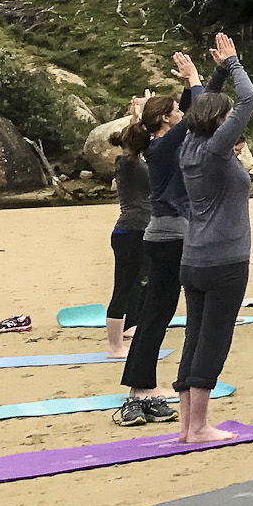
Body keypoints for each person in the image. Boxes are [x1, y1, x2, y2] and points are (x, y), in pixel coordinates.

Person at [174, 33, 253, 445]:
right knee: (213, 340)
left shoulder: (190, 144)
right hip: (225, 263)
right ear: (219, 123)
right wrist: (235, 64)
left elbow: (203, 105)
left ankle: (186, 427)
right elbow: (249, 99)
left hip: (193, 260)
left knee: (194, 338)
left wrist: (217, 73)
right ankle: (199, 427)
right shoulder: (215, 149)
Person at [115, 51, 204, 426]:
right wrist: (196, 79)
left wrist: (189, 85)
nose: (180, 114)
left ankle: (142, 389)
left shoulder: (160, 143)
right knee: (155, 315)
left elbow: (190, 111)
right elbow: (197, 113)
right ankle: (138, 392)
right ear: (166, 119)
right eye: (174, 111)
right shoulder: (165, 146)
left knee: (157, 314)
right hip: (169, 238)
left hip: (166, 236)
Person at [104, 94, 155, 360]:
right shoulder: (127, 162)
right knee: (122, 288)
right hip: (130, 232)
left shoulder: (137, 161)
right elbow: (135, 140)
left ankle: (130, 326)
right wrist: (143, 118)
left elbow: (135, 138)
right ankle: (115, 347)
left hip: (139, 231)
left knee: (138, 282)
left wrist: (138, 117)